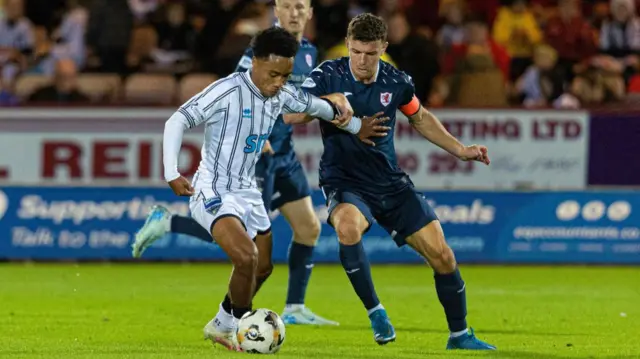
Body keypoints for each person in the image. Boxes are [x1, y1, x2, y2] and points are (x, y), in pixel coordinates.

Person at [130, 26, 387, 351]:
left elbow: (321, 109)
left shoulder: (281, 94)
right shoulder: (225, 91)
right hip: (214, 189)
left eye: (285, 75)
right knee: (247, 257)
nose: (279, 82)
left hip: (247, 190)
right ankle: (238, 326)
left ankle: (222, 323)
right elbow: (177, 121)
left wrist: (355, 126)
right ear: (255, 62)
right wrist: (171, 172)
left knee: (264, 266)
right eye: (274, 73)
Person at [295, 13, 497, 350]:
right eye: (357, 51)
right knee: (347, 227)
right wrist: (328, 102)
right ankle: (376, 312)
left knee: (443, 256)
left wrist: (460, 150)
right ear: (347, 45)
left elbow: (420, 118)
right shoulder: (326, 75)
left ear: (383, 48)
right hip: (344, 180)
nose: (362, 60)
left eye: (370, 53)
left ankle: (460, 336)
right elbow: (291, 112)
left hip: (390, 183)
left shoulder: (396, 81)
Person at [233, 0, 337, 326]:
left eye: (300, 6)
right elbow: (235, 93)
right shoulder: (260, 49)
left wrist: (325, 106)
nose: (294, 13)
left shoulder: (309, 52)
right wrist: (254, 132)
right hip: (257, 159)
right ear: (276, 10)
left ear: (310, 13)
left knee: (308, 228)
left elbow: (296, 109)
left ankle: (294, 308)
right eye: (288, 6)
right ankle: (235, 316)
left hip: (284, 155)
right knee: (250, 250)